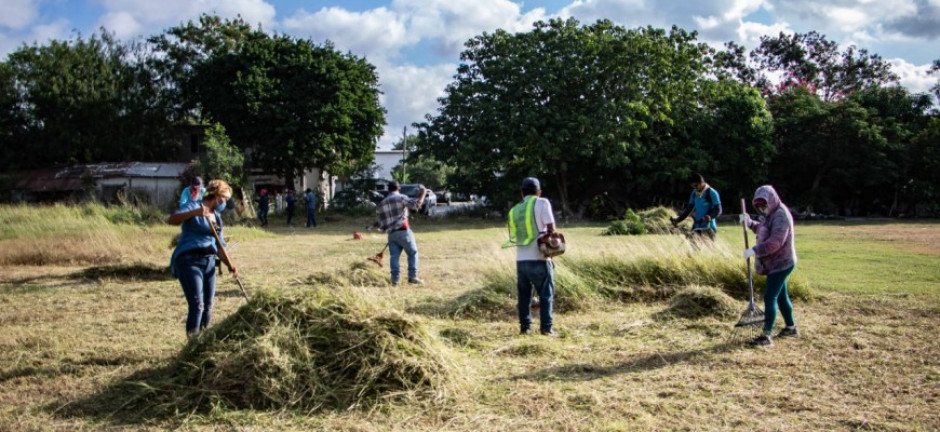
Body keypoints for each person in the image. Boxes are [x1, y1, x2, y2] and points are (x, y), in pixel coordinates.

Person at [168, 179, 238, 337]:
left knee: (208, 306)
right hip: (189, 261)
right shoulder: (194, 206)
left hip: (209, 262)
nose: (225, 202)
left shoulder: (217, 217)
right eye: (224, 199)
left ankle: (203, 342)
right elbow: (172, 219)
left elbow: (220, 247)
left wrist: (230, 265)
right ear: (216, 196)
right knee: (197, 305)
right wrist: (196, 212)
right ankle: (192, 344)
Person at [740, 185, 799, 347]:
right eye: (758, 207)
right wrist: (750, 223)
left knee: (770, 297)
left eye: (763, 205)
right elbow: (763, 229)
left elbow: (775, 242)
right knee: (780, 295)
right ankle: (791, 328)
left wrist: (754, 250)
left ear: (771, 200)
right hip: (774, 263)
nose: (761, 209)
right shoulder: (770, 214)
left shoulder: (781, 216)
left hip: (782, 262)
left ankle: (766, 336)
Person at [503, 177, 559, 337]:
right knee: (546, 294)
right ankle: (546, 329)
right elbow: (551, 229)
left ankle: (525, 328)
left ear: (522, 193)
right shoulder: (542, 203)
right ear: (539, 192)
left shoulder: (514, 210)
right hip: (540, 257)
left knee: (524, 296)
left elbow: (515, 235)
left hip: (521, 259)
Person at [372, 181, 426, 285]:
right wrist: (422, 193)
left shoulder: (383, 202)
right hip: (403, 230)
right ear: (399, 188)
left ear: (388, 189)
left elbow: (380, 221)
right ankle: (413, 276)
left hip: (391, 234)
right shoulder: (401, 197)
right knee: (412, 252)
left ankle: (394, 280)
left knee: (394, 257)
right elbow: (416, 206)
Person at [671, 173, 722, 240]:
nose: (695, 188)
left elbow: (718, 210)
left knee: (707, 250)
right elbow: (688, 209)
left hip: (708, 227)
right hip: (696, 227)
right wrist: (678, 220)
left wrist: (710, 216)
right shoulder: (694, 193)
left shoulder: (712, 193)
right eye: (693, 186)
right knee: (694, 249)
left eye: (696, 185)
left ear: (701, 182)